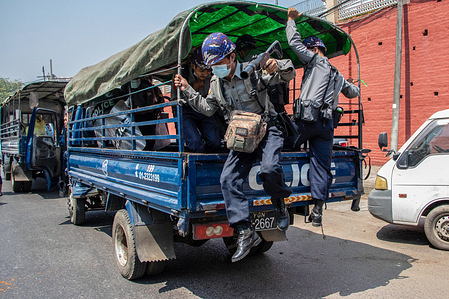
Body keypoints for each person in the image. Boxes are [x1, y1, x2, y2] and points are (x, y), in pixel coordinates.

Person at [174, 32, 296, 262]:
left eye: (218, 63)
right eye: (211, 65)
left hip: (267, 128)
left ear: (231, 57)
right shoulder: (216, 83)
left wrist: (276, 65)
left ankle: (279, 202)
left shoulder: (252, 71)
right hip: (242, 134)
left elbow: (289, 73)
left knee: (269, 170)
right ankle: (244, 231)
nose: (214, 68)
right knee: (227, 180)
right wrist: (188, 89)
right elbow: (207, 109)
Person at [286, 8, 361, 227]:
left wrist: (291, 20)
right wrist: (353, 84)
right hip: (326, 126)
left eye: (309, 50)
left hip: (306, 122)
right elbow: (353, 93)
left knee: (281, 147)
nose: (306, 55)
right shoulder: (338, 73)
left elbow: (294, 43)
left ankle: (279, 201)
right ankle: (317, 210)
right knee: (321, 164)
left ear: (316, 49)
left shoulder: (317, 61)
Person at [173, 47, 221, 153]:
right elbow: (176, 100)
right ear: (193, 66)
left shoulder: (213, 76)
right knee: (195, 142)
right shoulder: (181, 74)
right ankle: (199, 162)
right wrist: (194, 88)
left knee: (215, 141)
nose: (206, 74)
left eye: (209, 70)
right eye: (202, 70)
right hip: (186, 110)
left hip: (204, 107)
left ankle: (209, 160)